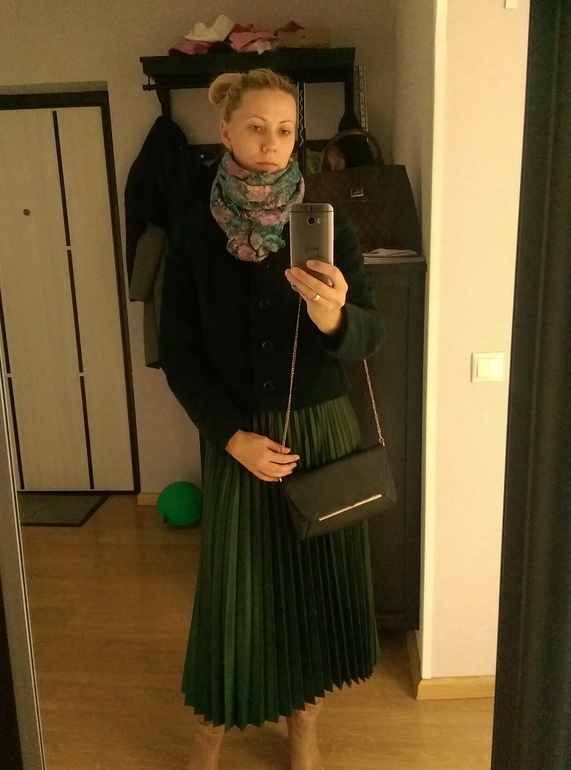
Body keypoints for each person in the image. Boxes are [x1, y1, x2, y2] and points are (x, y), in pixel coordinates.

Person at [159, 67, 386, 770]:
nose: (271, 143)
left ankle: (304, 725)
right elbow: (178, 352)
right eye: (256, 127)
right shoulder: (193, 235)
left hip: (320, 432)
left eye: (285, 130)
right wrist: (231, 437)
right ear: (226, 131)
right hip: (238, 438)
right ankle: (210, 729)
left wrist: (334, 316)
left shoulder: (329, 229)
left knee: (314, 588)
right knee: (235, 595)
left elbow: (370, 335)